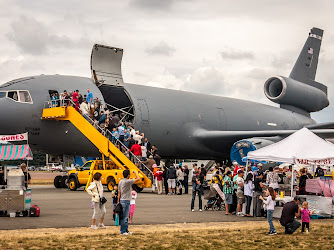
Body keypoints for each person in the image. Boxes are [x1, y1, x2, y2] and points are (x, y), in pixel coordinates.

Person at [118, 170, 140, 235]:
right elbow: (138, 178)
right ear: (128, 175)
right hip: (126, 200)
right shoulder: (127, 181)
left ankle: (126, 230)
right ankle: (123, 231)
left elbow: (119, 192)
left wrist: (118, 200)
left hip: (122, 199)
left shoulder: (121, 181)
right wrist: (135, 172)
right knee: (125, 216)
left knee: (125, 216)